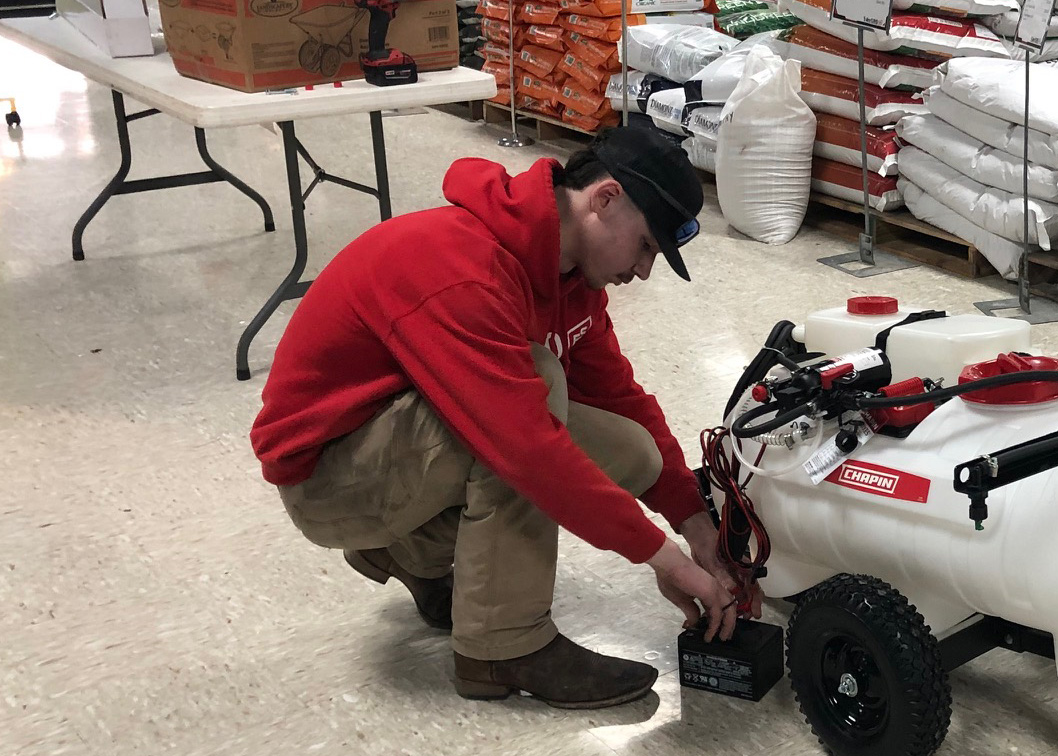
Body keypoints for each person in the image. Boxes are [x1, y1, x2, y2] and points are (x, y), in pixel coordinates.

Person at [250, 125, 743, 709]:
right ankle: (503, 647)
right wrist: (661, 559)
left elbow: (620, 396)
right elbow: (526, 450)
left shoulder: (567, 277)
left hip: (395, 446)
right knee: (536, 392)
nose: (643, 271)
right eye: (645, 246)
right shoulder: (461, 264)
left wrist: (695, 526)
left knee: (630, 447)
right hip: (329, 478)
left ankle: (411, 553)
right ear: (605, 199)